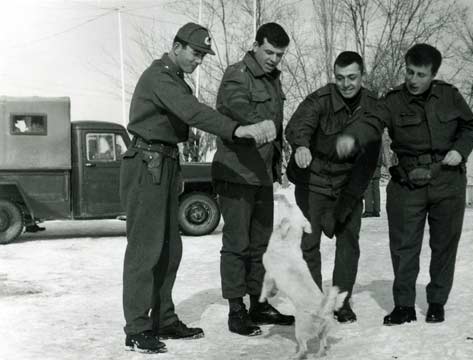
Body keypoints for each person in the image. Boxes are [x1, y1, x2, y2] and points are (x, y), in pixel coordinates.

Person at [120, 23, 276, 353]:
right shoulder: (160, 76)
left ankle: (164, 319)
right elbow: (193, 113)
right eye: (195, 53)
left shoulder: (175, 80)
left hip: (163, 162)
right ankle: (136, 328)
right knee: (145, 250)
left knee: (169, 250)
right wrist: (240, 130)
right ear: (176, 46)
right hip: (147, 163)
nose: (199, 61)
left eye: (203, 56)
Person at [336, 44, 473, 325]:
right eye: (409, 72)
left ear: (433, 74)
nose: (413, 79)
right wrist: (353, 136)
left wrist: (460, 150)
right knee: (403, 246)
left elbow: (469, 126)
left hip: (446, 179)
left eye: (421, 74)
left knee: (444, 243)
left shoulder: (449, 96)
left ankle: (437, 301)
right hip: (407, 182)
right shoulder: (393, 101)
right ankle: (404, 305)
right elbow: (371, 121)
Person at [286, 51, 381, 323]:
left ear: (362, 76)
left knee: (348, 241)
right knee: (311, 242)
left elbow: (370, 157)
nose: (346, 84)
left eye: (352, 77)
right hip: (314, 181)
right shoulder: (321, 98)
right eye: (340, 78)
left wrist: (351, 196)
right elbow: (298, 124)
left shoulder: (373, 106)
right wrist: (302, 145)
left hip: (349, 183)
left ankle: (342, 302)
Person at [212, 22, 294, 337]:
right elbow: (235, 107)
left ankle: (258, 304)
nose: (274, 59)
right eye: (269, 52)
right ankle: (237, 311)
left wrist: (279, 165)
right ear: (256, 45)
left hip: (261, 174)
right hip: (236, 172)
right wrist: (260, 125)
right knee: (237, 244)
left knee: (260, 243)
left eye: (280, 54)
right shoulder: (237, 75)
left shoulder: (273, 81)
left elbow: (276, 130)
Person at [363, 146, 384, 217]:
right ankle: (376, 210)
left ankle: (368, 211)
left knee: (368, 189)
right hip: (377, 167)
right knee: (376, 190)